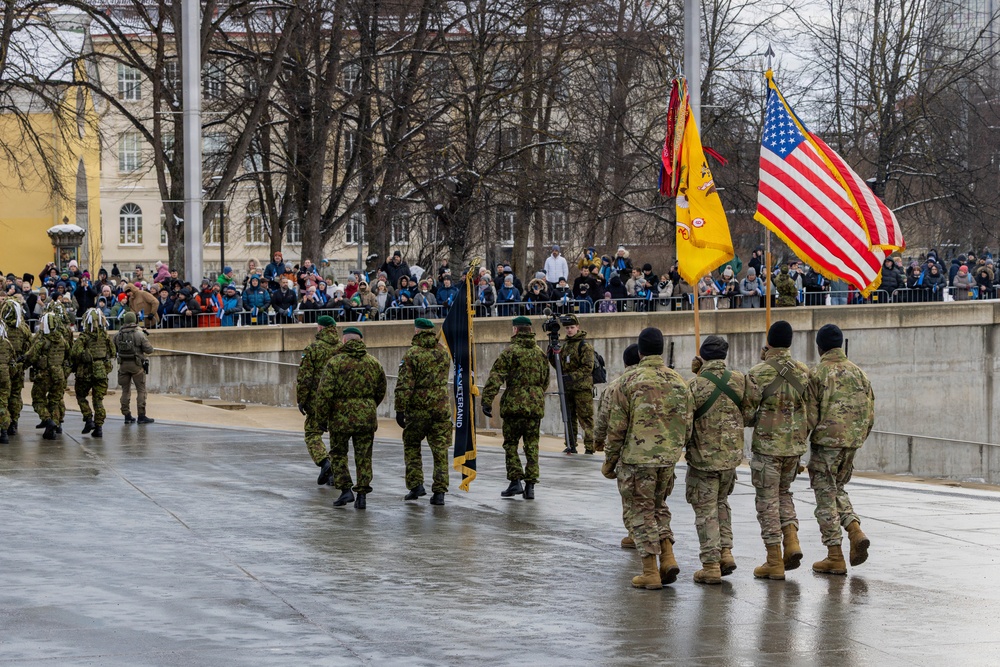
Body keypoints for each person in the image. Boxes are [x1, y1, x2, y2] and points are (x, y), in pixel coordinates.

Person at [602, 327, 693, 589]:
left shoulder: (628, 382)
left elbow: (617, 428)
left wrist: (610, 462)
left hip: (637, 460)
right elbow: (687, 424)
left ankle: (650, 571)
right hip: (667, 459)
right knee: (658, 506)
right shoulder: (678, 381)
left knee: (640, 512)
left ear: (640, 351)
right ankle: (668, 557)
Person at [686, 336, 757, 584]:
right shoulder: (739, 380)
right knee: (722, 504)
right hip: (731, 458)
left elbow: (686, 424)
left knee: (705, 511)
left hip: (702, 460)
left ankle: (710, 565)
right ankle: (726, 552)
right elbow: (749, 416)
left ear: (702, 356)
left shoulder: (694, 385)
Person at [807, 324, 876, 575]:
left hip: (827, 443)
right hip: (852, 442)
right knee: (836, 489)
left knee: (824, 497)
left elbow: (810, 415)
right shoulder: (859, 373)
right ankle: (855, 530)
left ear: (820, 346)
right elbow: (870, 412)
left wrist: (799, 443)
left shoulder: (818, 374)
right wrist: (857, 438)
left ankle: (834, 555)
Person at [747, 320, 811, 580]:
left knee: (767, 501)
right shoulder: (804, 371)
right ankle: (792, 541)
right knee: (784, 493)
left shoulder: (758, 372)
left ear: (769, 342)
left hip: (767, 448)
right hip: (794, 447)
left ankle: (774, 560)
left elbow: (748, 414)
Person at [314, 327, 386, 509]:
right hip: (366, 417)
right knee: (364, 456)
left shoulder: (335, 363)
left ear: (344, 341)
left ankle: (346, 490)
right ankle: (362, 495)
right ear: (361, 341)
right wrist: (367, 406)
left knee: (338, 454)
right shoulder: (373, 362)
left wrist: (321, 417)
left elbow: (325, 393)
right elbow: (381, 390)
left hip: (340, 418)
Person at [481, 315, 550, 499]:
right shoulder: (540, 353)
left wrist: (487, 400)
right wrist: (534, 395)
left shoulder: (510, 352)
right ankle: (530, 487)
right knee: (532, 445)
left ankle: (515, 480)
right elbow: (545, 381)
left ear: (516, 330)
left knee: (511, 443)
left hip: (513, 405)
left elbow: (496, 376)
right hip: (534, 406)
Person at [395, 318, 452, 505]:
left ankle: (416, 485)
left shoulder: (412, 354)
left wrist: (400, 408)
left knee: (412, 445)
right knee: (440, 450)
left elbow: (405, 384)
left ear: (417, 332)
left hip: (418, 409)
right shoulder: (443, 352)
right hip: (441, 407)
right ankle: (440, 492)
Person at [594, 343, 640, 548]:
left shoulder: (616, 386)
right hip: (662, 451)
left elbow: (604, 420)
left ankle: (634, 533)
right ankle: (661, 539)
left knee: (630, 495)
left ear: (625, 362)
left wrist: (599, 444)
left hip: (628, 451)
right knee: (656, 498)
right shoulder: (667, 381)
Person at [296, 315, 342, 486]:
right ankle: (335, 473)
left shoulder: (313, 349)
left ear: (321, 328)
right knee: (337, 438)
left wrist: (301, 399)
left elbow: (305, 377)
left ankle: (325, 462)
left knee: (313, 434)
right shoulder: (342, 348)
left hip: (317, 400)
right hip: (339, 401)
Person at [547, 314, 594, 454]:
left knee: (586, 419)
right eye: (567, 328)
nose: (569, 330)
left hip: (582, 389)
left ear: (578, 327)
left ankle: (589, 448)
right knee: (569, 417)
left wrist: (571, 377)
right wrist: (551, 357)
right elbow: (559, 365)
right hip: (567, 388)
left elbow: (587, 367)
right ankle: (571, 444)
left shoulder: (584, 346)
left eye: (572, 327)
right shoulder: (565, 346)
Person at [70, 309, 116, 438]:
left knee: (81, 396)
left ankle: (88, 418)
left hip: (85, 372)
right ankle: (99, 427)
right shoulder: (105, 336)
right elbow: (112, 352)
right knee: (98, 400)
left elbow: (75, 353)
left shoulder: (84, 337)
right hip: (101, 371)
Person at [26, 312, 68, 440]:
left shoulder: (41, 341)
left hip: (44, 375)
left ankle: (47, 419)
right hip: (59, 374)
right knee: (54, 401)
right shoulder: (62, 340)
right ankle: (52, 429)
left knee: (38, 399)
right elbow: (69, 355)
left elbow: (31, 357)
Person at [115, 311, 155, 425]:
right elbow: (149, 350)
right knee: (141, 390)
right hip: (137, 366)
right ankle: (141, 415)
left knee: (125, 391)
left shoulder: (119, 335)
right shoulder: (138, 334)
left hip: (123, 365)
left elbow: (113, 349)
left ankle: (127, 415)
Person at [1, 301, 31, 436]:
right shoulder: (23, 329)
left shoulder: (3, 328)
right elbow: (29, 347)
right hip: (18, 365)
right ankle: (14, 422)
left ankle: (4, 423)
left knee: (3, 396)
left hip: (5, 365)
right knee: (15, 394)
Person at [0, 320, 15, 444]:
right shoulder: (7, 343)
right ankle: (4, 432)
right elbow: (12, 360)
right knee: (3, 403)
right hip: (5, 376)